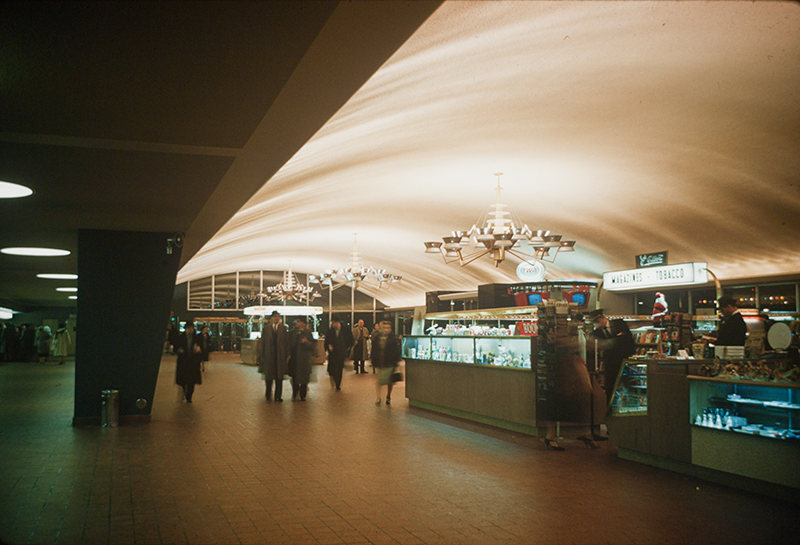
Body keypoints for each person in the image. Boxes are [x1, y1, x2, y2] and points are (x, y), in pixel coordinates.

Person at [586, 309, 635, 412]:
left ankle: (633, 408)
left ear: (602, 318)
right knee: (611, 388)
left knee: (629, 386)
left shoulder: (619, 324)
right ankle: (610, 411)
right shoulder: (596, 333)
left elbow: (629, 342)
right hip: (610, 365)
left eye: (596, 322)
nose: (596, 325)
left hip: (625, 363)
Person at [258, 311, 290, 402]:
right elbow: (263, 342)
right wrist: (261, 354)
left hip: (280, 356)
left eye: (278, 317)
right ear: (271, 318)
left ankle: (278, 396)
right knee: (269, 377)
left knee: (279, 377)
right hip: (269, 356)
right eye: (275, 316)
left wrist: (288, 353)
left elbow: (286, 342)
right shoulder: (266, 328)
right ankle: (268, 394)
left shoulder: (283, 328)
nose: (277, 318)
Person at [372, 320, 401, 405]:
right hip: (381, 362)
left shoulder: (392, 338)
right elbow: (374, 349)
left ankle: (388, 396)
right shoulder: (377, 337)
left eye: (388, 328)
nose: (386, 330)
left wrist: (396, 362)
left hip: (389, 362)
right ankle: (378, 397)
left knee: (390, 381)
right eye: (385, 328)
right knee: (380, 380)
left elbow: (396, 351)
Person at [175, 322, 202, 403]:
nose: (191, 330)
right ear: (186, 329)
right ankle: (184, 390)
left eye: (192, 328)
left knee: (192, 381)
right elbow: (176, 347)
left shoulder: (196, 338)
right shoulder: (180, 337)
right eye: (189, 328)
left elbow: (202, 347)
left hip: (193, 362)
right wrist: (179, 350)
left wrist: (199, 349)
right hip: (183, 361)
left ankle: (189, 396)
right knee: (183, 380)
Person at [289, 317, 315, 401]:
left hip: (304, 359)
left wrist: (306, 342)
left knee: (304, 377)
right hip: (294, 358)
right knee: (294, 376)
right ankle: (295, 392)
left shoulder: (308, 333)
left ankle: (303, 394)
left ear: (303, 323)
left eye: (298, 321)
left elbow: (313, 346)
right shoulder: (292, 332)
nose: (296, 323)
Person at [325, 316, 352, 391]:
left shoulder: (345, 330)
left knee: (339, 368)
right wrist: (328, 345)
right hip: (333, 353)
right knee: (332, 368)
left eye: (333, 322)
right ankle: (334, 378)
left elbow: (350, 339)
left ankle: (338, 384)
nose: (332, 324)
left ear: (337, 323)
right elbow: (327, 340)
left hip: (341, 352)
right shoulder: (330, 331)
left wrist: (348, 347)